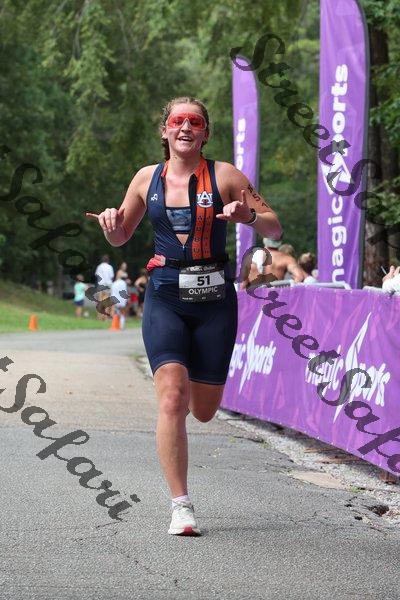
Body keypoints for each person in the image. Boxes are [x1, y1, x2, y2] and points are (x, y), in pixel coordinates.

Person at [86, 96, 282, 536]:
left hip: (215, 302)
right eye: (178, 120)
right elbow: (121, 236)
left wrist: (248, 215)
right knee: (172, 397)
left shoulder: (226, 175)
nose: (186, 127)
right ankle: (181, 505)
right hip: (165, 296)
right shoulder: (146, 178)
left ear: (205, 133)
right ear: (165, 130)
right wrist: (112, 226)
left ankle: (194, 379)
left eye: (195, 121)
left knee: (205, 410)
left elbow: (275, 226)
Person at [94, 255, 114, 320]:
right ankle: (104, 317)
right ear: (108, 260)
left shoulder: (99, 266)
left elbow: (96, 275)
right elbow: (111, 276)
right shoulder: (110, 267)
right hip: (108, 284)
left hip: (101, 284)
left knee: (100, 301)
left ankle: (99, 316)